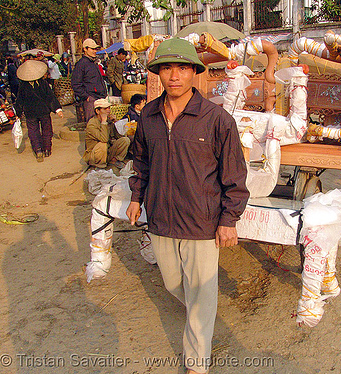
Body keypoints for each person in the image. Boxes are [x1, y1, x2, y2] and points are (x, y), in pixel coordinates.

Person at [126, 38, 249, 374]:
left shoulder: (217, 119)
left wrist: (228, 219)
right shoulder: (149, 115)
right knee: (172, 283)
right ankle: (202, 309)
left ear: (195, 72)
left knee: (200, 296)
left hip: (201, 221)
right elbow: (142, 161)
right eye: (167, 67)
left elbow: (235, 175)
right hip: (161, 218)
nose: (174, 75)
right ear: (158, 73)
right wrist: (137, 197)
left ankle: (197, 362)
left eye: (182, 67)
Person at [14, 60, 63, 162]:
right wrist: (57, 110)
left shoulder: (23, 86)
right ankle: (47, 149)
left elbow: (19, 101)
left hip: (30, 113)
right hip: (43, 111)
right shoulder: (43, 84)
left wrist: (18, 113)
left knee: (33, 131)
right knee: (47, 129)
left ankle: (38, 149)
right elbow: (50, 97)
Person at [82, 98, 130, 169]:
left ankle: (114, 161)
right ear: (98, 111)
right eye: (105, 109)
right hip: (95, 154)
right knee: (103, 145)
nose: (108, 110)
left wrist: (115, 122)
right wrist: (104, 122)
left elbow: (118, 137)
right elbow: (104, 139)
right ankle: (100, 166)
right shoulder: (92, 124)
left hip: (107, 151)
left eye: (109, 108)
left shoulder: (108, 121)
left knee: (125, 140)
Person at [71, 38, 107, 122]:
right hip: (91, 99)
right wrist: (86, 96)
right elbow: (76, 83)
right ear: (85, 49)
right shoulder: (81, 64)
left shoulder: (93, 63)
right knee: (92, 124)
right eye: (92, 49)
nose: (94, 51)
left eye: (95, 49)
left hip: (100, 97)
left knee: (103, 123)